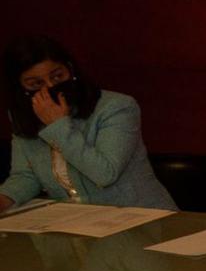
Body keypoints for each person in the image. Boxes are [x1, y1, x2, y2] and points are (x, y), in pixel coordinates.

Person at [0, 35, 175, 212]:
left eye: (57, 76)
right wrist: (5, 198)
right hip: (76, 221)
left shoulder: (116, 107)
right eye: (36, 84)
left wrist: (58, 125)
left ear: (70, 69)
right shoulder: (22, 116)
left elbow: (105, 173)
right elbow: (26, 176)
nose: (49, 88)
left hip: (140, 218)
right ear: (20, 87)